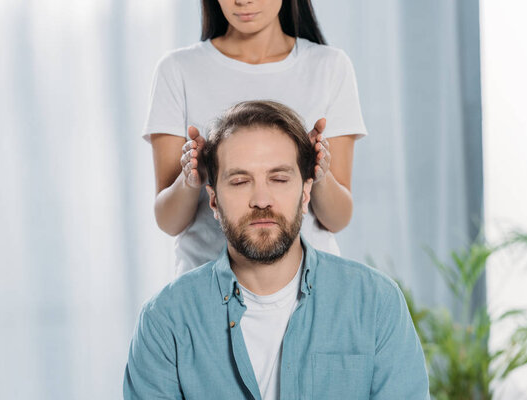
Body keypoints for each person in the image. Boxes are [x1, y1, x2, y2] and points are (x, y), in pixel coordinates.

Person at [124, 101, 429, 400]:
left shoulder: (376, 304)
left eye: (279, 178)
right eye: (240, 181)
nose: (261, 199)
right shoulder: (164, 322)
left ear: (306, 191)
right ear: (214, 201)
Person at [145, 0, 367, 273]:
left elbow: (338, 218)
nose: (243, 1)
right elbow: (169, 221)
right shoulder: (177, 69)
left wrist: (319, 173)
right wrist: (192, 179)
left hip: (309, 288)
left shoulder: (330, 66)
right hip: (207, 291)